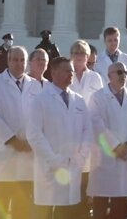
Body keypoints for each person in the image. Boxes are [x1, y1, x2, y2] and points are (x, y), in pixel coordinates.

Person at [27, 57, 92, 219]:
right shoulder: (41, 100)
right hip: (50, 168)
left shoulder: (79, 100)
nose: (71, 74)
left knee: (69, 212)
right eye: (67, 70)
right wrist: (54, 159)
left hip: (73, 167)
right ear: (54, 72)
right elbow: (34, 134)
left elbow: (87, 131)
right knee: (47, 212)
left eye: (72, 70)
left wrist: (81, 156)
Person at [0, 46, 42, 219]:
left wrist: (32, 141)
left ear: (27, 62)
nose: (18, 63)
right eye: (15, 60)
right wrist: (14, 141)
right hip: (3, 156)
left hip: (28, 157)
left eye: (22, 60)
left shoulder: (35, 86)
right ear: (8, 61)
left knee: (22, 210)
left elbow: (42, 116)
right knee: (0, 209)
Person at [87, 62, 127, 219]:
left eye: (125, 72)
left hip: (126, 160)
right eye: (119, 72)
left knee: (121, 210)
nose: (123, 75)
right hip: (105, 160)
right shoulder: (98, 97)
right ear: (109, 75)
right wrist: (116, 147)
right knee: (100, 209)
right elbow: (97, 125)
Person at [68, 40, 103, 218]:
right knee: (71, 179)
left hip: (90, 133)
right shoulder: (65, 75)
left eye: (82, 53)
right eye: (76, 53)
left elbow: (100, 104)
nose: (79, 56)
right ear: (71, 56)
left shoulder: (95, 78)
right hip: (70, 132)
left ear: (88, 57)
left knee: (86, 180)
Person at [95, 27, 127, 93]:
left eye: (115, 40)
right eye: (110, 40)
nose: (113, 43)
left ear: (119, 40)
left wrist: (124, 96)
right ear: (104, 41)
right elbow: (98, 82)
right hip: (104, 98)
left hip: (123, 98)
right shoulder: (97, 60)